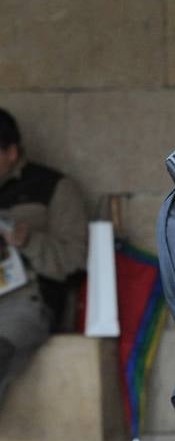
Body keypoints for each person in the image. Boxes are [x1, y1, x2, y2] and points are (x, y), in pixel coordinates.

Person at [0, 108, 88, 408]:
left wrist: (28, 241)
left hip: (26, 303)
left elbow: (76, 260)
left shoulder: (53, 187)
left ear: (11, 152)